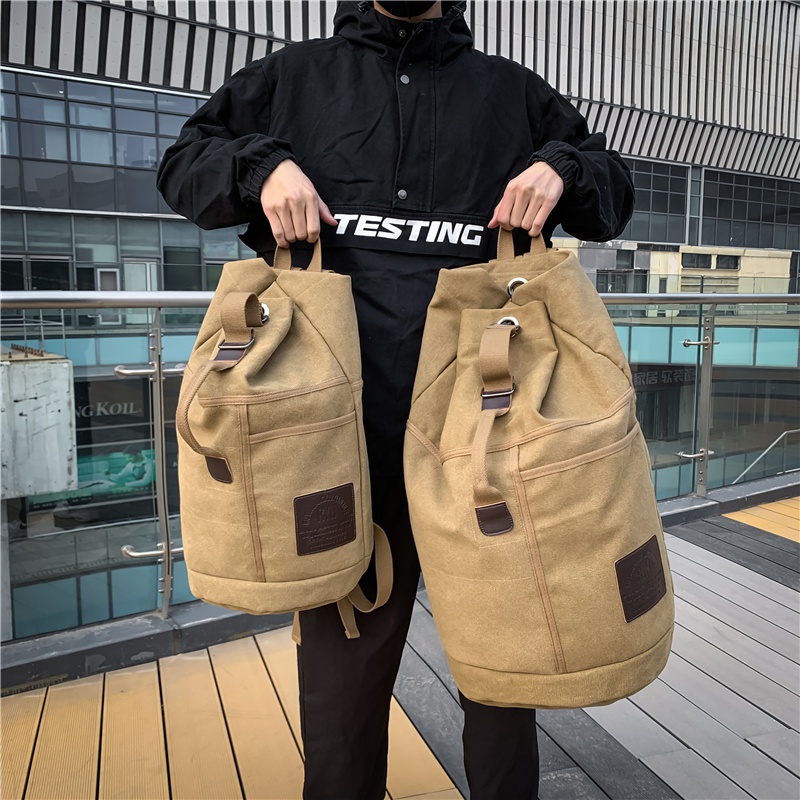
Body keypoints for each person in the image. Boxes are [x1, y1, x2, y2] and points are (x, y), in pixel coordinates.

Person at [157, 2, 634, 798]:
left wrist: (562, 167)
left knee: (507, 680)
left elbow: (611, 193)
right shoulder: (293, 80)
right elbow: (182, 168)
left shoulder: (512, 94)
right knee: (341, 700)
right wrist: (259, 167)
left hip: (488, 450)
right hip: (338, 455)